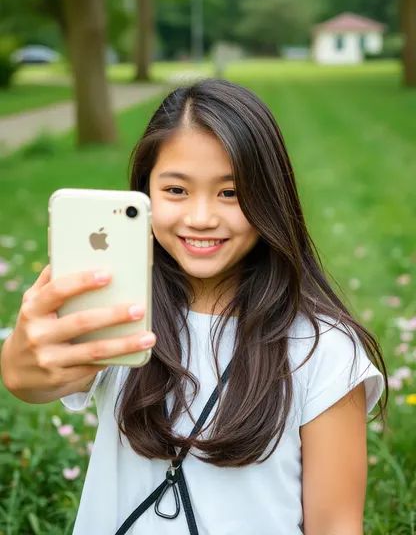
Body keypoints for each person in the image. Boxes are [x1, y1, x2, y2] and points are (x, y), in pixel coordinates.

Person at [1, 79, 387, 535]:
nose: (201, 217)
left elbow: (337, 524)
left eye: (229, 192)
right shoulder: (119, 314)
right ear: (144, 194)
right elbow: (28, 381)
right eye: (176, 191)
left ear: (270, 196)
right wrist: (24, 356)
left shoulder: (321, 347)